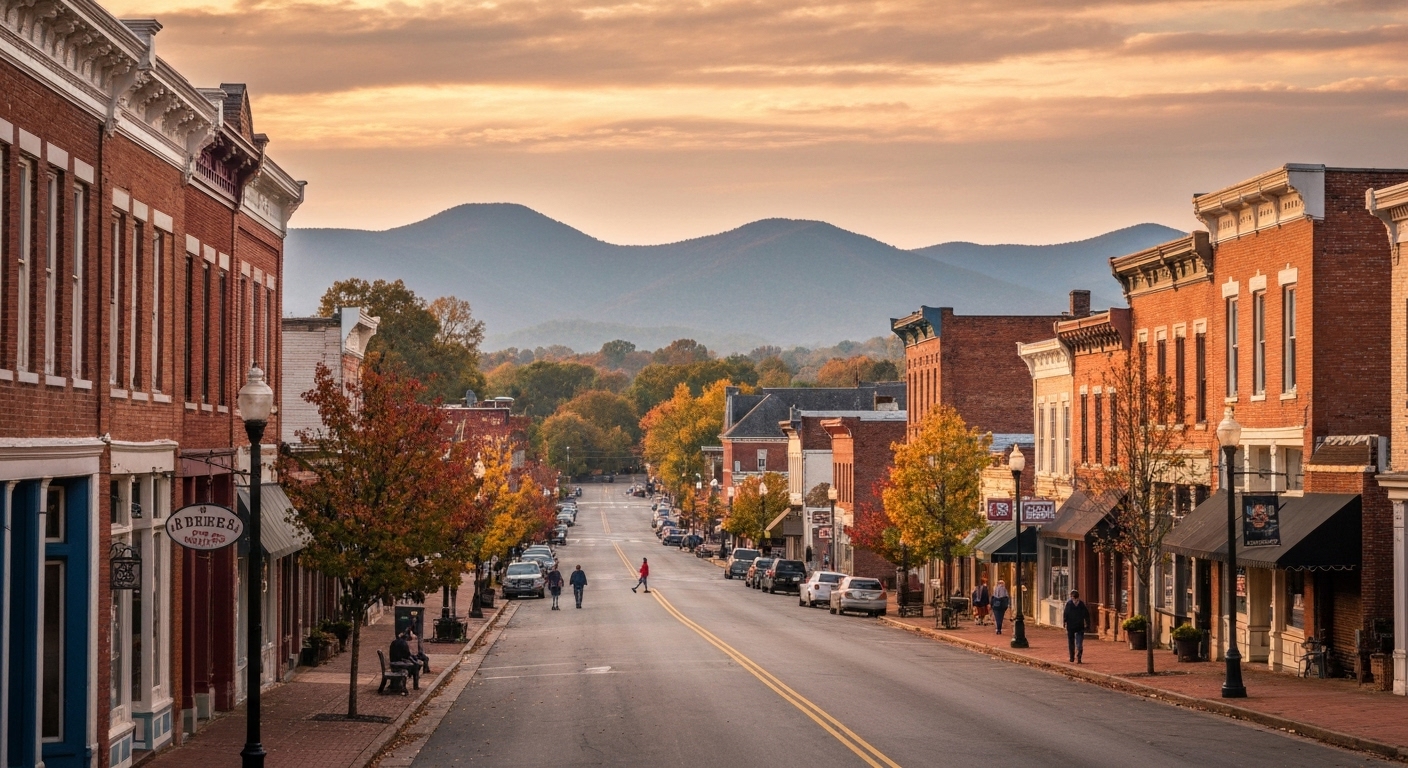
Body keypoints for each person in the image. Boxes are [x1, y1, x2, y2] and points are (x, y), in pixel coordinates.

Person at [1063, 589, 1091, 663]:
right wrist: (1065, 622)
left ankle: (1079, 657)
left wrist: (1088, 624)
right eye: (1073, 598)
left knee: (1079, 642)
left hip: (1079, 626)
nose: (1074, 600)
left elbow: (1086, 615)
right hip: (1071, 626)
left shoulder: (1081, 605)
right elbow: (1065, 614)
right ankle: (1072, 657)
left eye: (1075, 598)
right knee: (1071, 642)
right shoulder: (1069, 604)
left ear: (1077, 598)